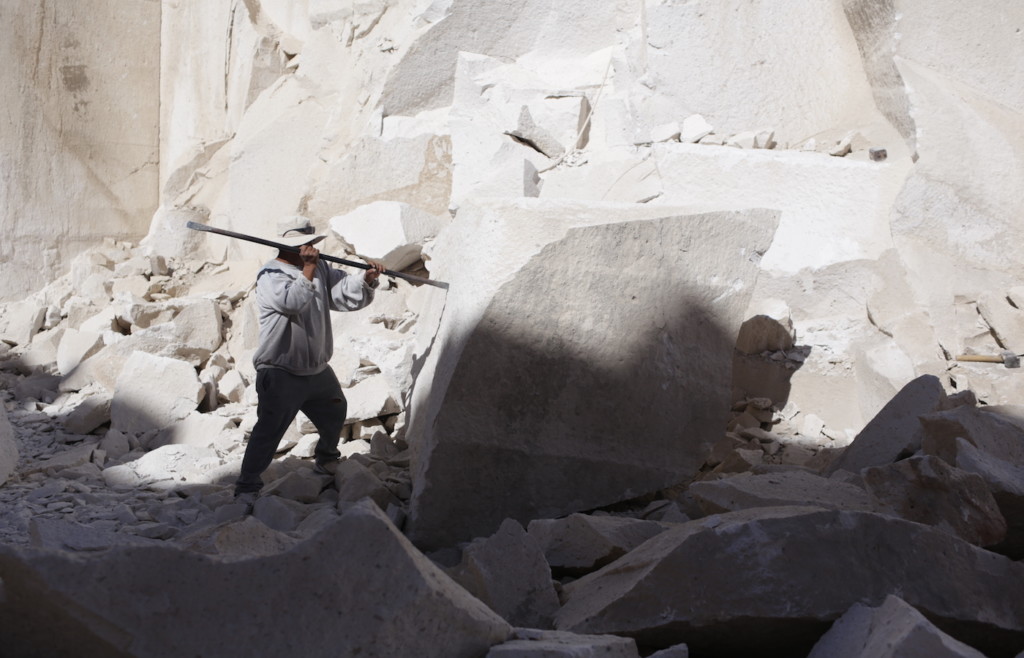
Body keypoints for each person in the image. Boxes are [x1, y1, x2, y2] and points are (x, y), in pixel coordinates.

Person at [233, 215, 385, 506]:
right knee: (269, 429)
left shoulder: (320, 267)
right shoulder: (270, 276)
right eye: (305, 245)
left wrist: (365, 279)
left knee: (335, 412)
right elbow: (292, 302)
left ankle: (327, 459)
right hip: (281, 370)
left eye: (312, 244)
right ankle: (247, 486)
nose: (311, 249)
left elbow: (341, 294)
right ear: (289, 247)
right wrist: (309, 269)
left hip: (315, 368)